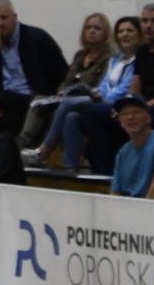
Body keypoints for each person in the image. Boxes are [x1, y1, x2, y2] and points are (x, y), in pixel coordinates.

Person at [20, 13, 112, 158]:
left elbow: (100, 86)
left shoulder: (108, 58)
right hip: (67, 97)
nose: (92, 31)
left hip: (88, 100)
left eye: (97, 28)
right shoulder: (80, 55)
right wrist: (62, 91)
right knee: (38, 101)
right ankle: (20, 145)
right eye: (88, 27)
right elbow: (66, 80)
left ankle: (43, 153)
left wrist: (72, 94)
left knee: (58, 112)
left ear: (106, 34)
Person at [57, 16, 142, 173]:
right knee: (72, 117)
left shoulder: (140, 59)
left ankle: (45, 148)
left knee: (69, 103)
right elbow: (105, 82)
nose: (124, 35)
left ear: (139, 34)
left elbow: (125, 88)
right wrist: (98, 92)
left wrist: (103, 98)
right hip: (103, 99)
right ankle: (70, 167)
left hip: (119, 103)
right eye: (121, 31)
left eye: (129, 31)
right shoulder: (116, 58)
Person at [0, 0, 66, 133]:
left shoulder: (37, 38)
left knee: (6, 98)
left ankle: (16, 144)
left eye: (4, 18)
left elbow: (62, 73)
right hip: (4, 95)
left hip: (33, 97)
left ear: (15, 18)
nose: (0, 23)